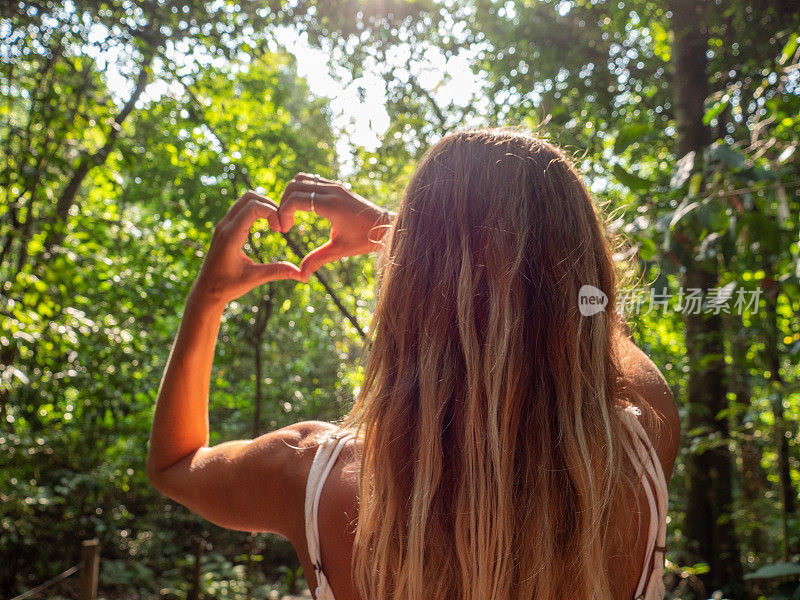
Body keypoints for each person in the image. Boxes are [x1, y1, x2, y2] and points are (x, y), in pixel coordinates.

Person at [147, 127, 680, 600]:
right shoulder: (641, 447)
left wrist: (210, 295)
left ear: (405, 288)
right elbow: (593, 318)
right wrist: (393, 227)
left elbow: (175, 464)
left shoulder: (309, 475)